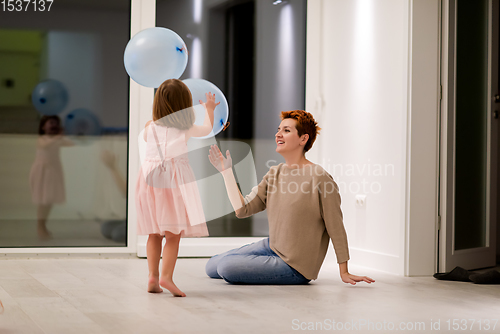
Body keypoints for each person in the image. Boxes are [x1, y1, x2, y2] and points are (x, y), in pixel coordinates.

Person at [206, 110, 375, 285]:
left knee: (226, 267)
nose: (278, 134)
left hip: (294, 266)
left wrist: (344, 270)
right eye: (279, 129)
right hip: (272, 246)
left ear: (303, 139)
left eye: (286, 130)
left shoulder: (320, 177)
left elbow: (336, 226)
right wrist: (226, 173)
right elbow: (243, 209)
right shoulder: (275, 172)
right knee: (211, 266)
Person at [135, 79, 219, 297]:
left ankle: (153, 277)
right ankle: (166, 277)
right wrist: (209, 109)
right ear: (185, 105)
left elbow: (147, 141)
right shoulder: (186, 129)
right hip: (173, 183)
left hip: (149, 182)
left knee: (154, 234)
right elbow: (208, 129)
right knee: (173, 234)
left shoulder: (149, 127)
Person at [29, 115, 74, 239]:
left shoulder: (57, 139)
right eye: (51, 123)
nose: (54, 125)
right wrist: (59, 137)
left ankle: (43, 226)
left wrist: (65, 135)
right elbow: (44, 146)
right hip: (42, 171)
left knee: (49, 201)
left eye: (56, 123)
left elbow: (71, 144)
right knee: (43, 201)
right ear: (43, 127)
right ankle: (40, 227)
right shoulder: (41, 138)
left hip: (53, 171)